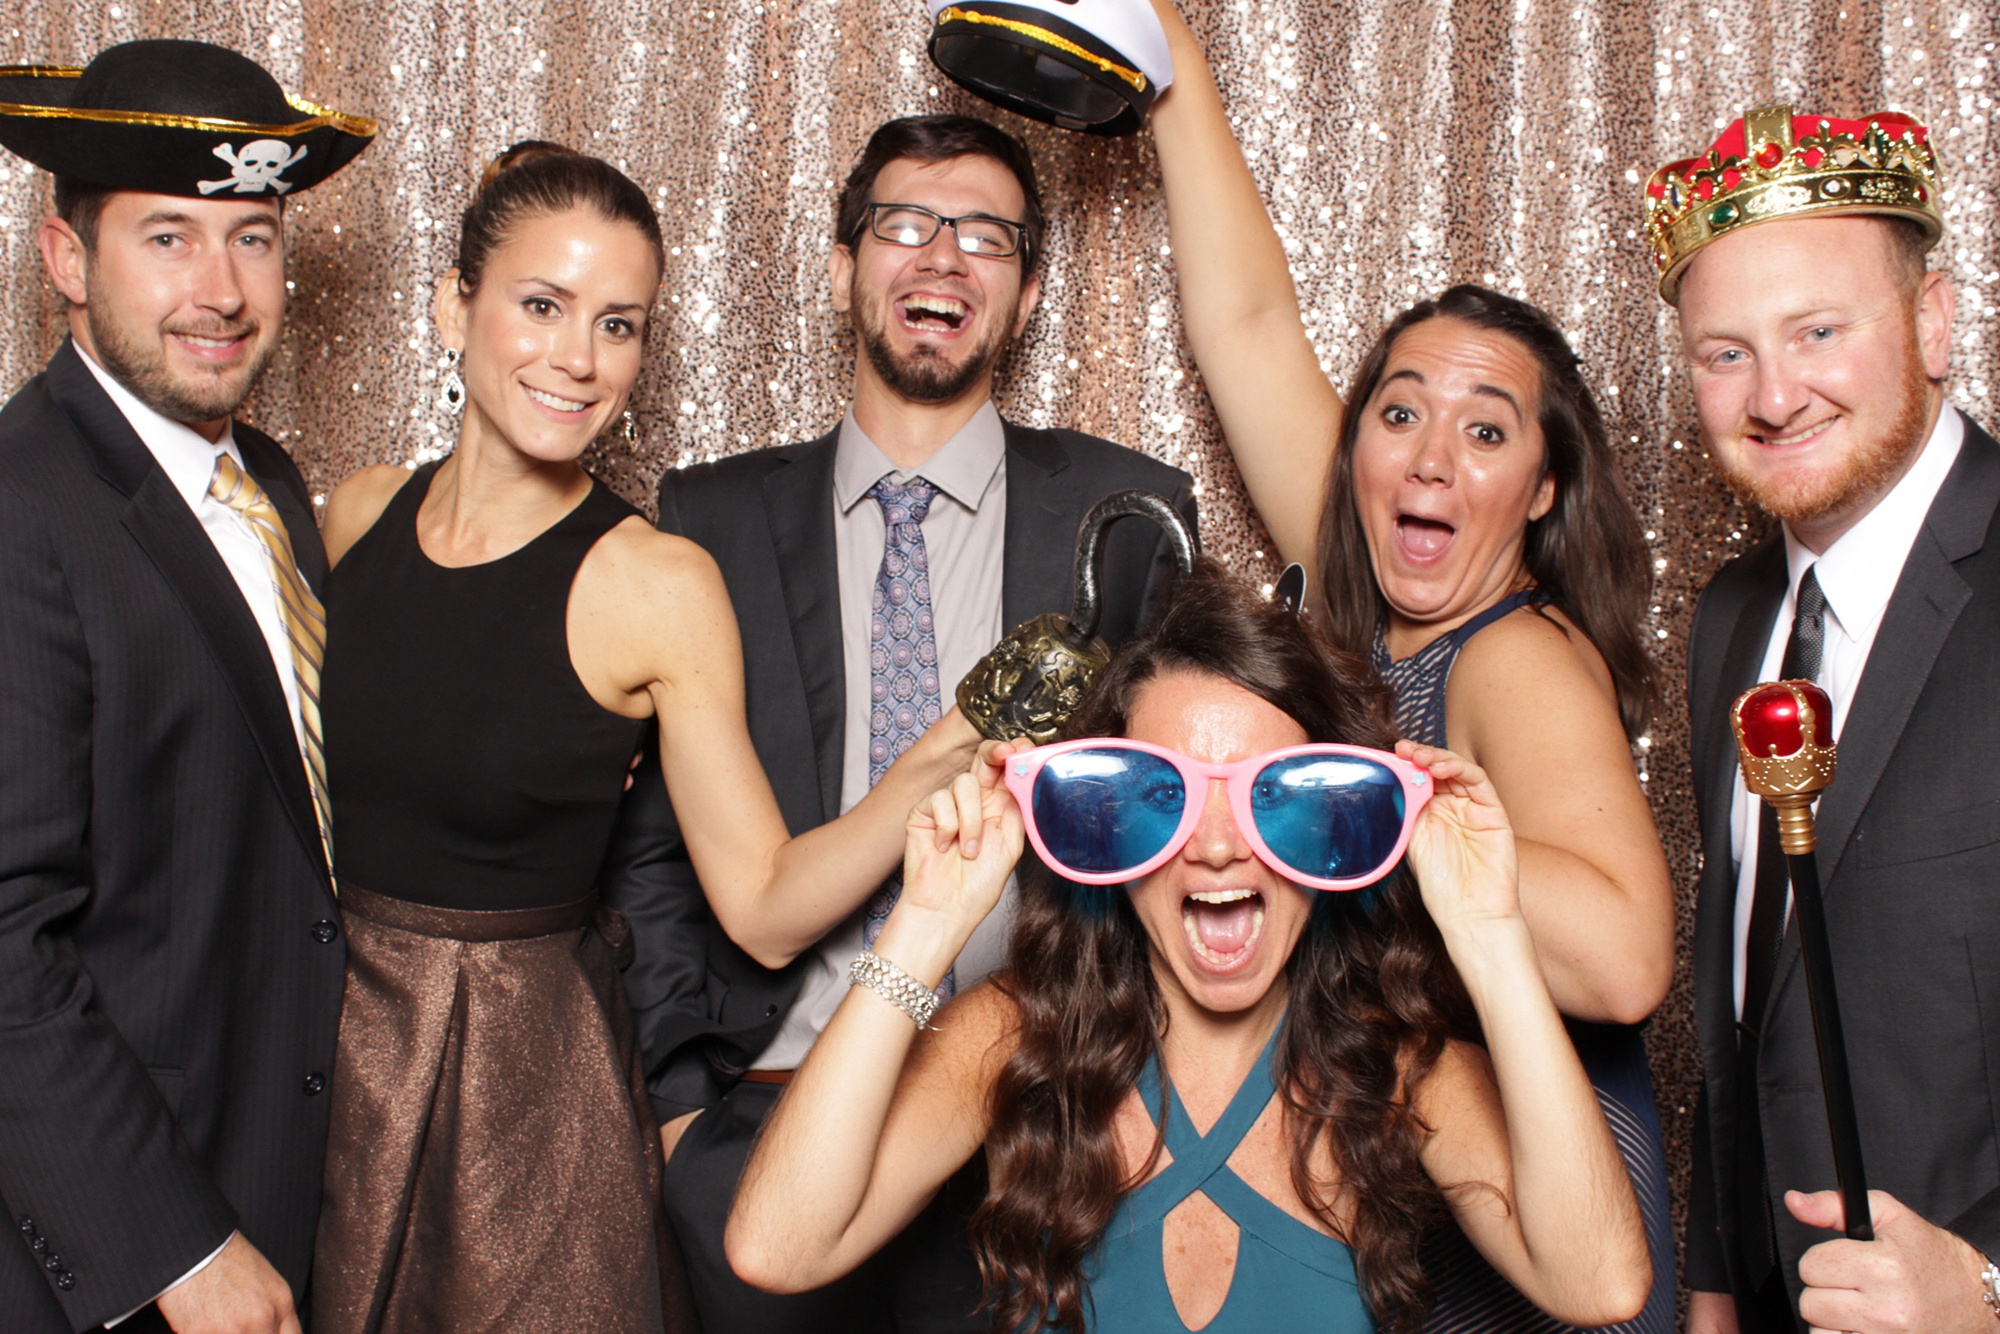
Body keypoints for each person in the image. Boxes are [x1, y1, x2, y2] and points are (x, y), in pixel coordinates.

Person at [308, 141, 987, 1333]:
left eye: (618, 325)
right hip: (326, 1055)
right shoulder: (356, 514)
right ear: (451, 304)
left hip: (521, 1095)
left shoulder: (655, 582)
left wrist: (948, 745)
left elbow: (766, 902)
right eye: (541, 305)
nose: (579, 358)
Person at [602, 113, 1198, 1333]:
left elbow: (1175, 818)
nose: (941, 257)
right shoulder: (705, 517)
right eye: (905, 224)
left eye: (985, 236)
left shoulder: (1125, 513)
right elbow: (653, 848)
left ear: (1024, 294)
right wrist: (679, 1115)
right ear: (844, 266)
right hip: (771, 1108)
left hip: (1031, 1127)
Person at [725, 561, 1653, 1334]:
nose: (1216, 844)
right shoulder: (1014, 1039)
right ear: (1105, 827)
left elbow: (1601, 1285)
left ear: (1331, 828)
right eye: (1162, 795)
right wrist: (925, 928)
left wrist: (1490, 937)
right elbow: (777, 1247)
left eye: (1272, 795)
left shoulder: (1398, 1072)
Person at [1136, 5, 1676, 1328]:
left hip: (1545, 1190)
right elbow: (1251, 325)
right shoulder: (1355, 597)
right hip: (1413, 1172)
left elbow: (1621, 963)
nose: (1430, 459)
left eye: (1486, 431)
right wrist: (1170, 62)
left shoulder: (1519, 655)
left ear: (1545, 490)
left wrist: (1352, 786)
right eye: (1398, 413)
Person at [0, 40, 372, 1334]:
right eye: (168, 237)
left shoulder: (263, 482)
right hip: (116, 1246)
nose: (220, 289)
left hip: (280, 1170)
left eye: (254, 239)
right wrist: (171, 1244)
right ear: (65, 258)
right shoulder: (22, 507)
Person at [1649, 108, 2000, 1333]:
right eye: (1722, 352)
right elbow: (1748, 994)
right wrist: (1710, 1282)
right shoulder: (1731, 620)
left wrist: (1990, 1286)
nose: (1774, 394)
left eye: (1816, 331)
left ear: (1935, 318)